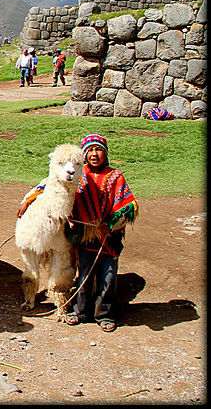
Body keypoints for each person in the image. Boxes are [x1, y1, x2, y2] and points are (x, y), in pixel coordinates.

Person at [64, 134, 138, 332]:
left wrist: (112, 224)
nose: (94, 154)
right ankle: (79, 310)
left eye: (98, 150)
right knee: (84, 273)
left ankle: (104, 313)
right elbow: (57, 189)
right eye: (90, 151)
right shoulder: (78, 175)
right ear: (84, 154)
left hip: (108, 235)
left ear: (105, 154)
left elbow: (128, 205)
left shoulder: (115, 176)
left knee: (108, 274)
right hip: (85, 234)